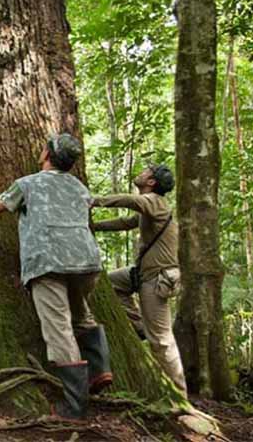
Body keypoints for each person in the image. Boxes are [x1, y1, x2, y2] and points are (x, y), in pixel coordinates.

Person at [0, 133, 111, 420]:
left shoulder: (28, 184)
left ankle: (75, 406)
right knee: (81, 314)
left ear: (46, 154)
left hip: (48, 263)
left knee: (59, 329)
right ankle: (100, 369)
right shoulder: (80, 188)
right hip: (86, 263)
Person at [91, 164, 187, 396]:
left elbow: (130, 201)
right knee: (110, 283)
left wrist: (94, 200)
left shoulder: (154, 201)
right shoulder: (150, 208)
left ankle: (179, 394)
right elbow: (127, 223)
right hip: (142, 273)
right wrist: (93, 227)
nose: (141, 173)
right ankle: (139, 326)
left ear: (152, 182)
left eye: (146, 171)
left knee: (162, 340)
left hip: (157, 278)